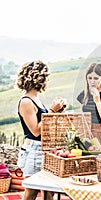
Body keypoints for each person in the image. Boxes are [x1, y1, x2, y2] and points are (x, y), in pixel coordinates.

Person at [16, 61, 65, 200]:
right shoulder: (26, 101)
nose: (47, 80)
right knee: (32, 192)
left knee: (49, 191)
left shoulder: (36, 99)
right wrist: (52, 111)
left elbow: (44, 124)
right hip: (33, 151)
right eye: (46, 77)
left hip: (43, 150)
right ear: (39, 78)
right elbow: (36, 131)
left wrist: (57, 112)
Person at [77, 63, 101, 150]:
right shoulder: (83, 95)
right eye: (89, 78)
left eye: (96, 78)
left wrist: (98, 101)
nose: (92, 82)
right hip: (85, 137)